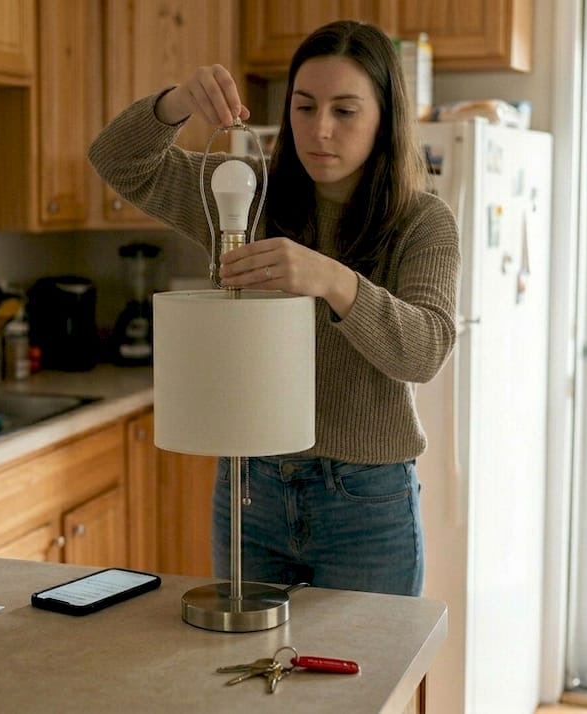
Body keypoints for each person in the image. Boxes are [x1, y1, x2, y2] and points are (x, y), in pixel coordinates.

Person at [88, 20, 459, 596]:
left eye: (345, 110)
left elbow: (424, 351)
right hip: (249, 488)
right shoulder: (240, 190)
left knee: (362, 683)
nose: (320, 130)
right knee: (246, 674)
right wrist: (179, 102)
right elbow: (118, 160)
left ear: (385, 118)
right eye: (304, 107)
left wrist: (333, 280)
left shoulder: (422, 220)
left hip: (367, 505)